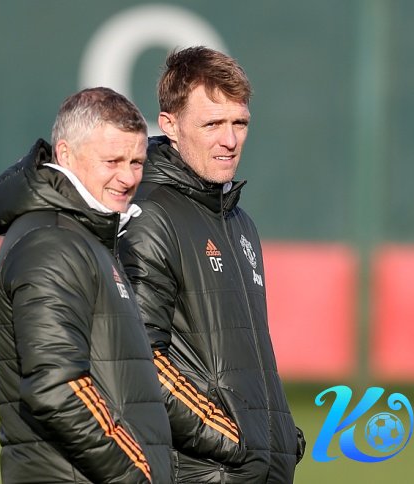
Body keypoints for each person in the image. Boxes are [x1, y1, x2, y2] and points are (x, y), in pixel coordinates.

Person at [118, 46, 305, 483]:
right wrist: (233, 439)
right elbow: (137, 362)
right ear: (169, 125)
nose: (230, 140)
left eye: (240, 123)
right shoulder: (150, 216)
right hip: (201, 471)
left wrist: (278, 436)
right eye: (212, 124)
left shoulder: (238, 221)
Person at [0, 87, 173, 484]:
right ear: (66, 155)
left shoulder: (87, 235)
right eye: (112, 161)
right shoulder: (52, 243)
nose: (128, 177)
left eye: (137, 162)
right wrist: (137, 473)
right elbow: (57, 388)